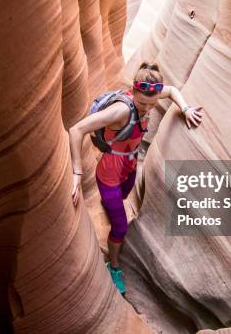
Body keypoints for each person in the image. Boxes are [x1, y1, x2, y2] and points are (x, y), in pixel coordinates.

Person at [68, 62, 203, 294]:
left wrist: (186, 108)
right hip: (109, 172)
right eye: (142, 103)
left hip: (129, 166)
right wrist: (77, 173)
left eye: (152, 104)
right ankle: (115, 266)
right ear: (133, 91)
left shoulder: (152, 94)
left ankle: (111, 206)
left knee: (123, 195)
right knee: (119, 227)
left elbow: (171, 92)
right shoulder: (120, 111)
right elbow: (76, 130)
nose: (147, 108)